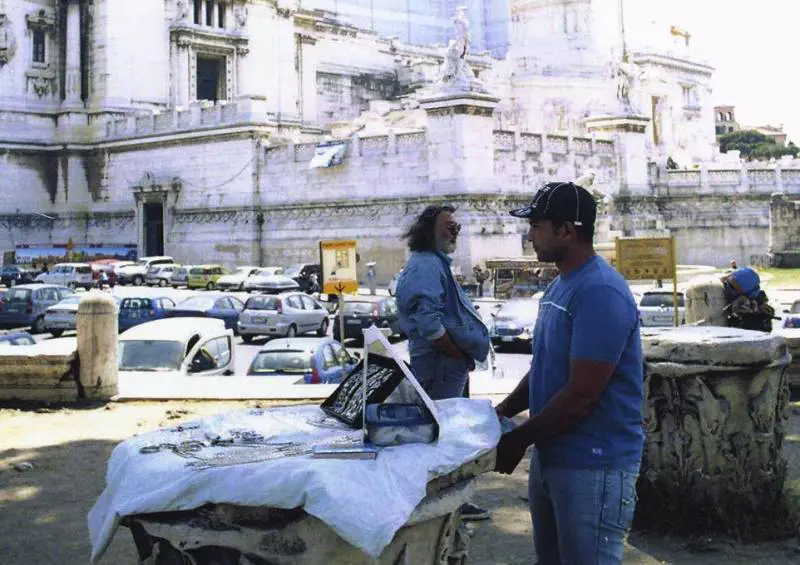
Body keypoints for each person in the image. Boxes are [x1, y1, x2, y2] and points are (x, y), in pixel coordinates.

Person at [494, 181, 644, 563]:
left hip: (594, 463)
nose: (530, 236)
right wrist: (503, 411)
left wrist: (518, 440)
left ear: (567, 230)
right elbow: (545, 366)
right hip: (554, 455)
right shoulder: (562, 285)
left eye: (537, 226)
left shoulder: (599, 291)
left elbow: (581, 395)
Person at [395, 204, 491, 521]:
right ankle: (441, 502)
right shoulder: (425, 266)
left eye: (456, 226)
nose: (455, 231)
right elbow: (430, 324)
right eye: (448, 225)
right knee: (441, 433)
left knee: (449, 430)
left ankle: (453, 501)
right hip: (438, 363)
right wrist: (454, 353)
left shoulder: (434, 264)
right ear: (428, 230)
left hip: (447, 362)